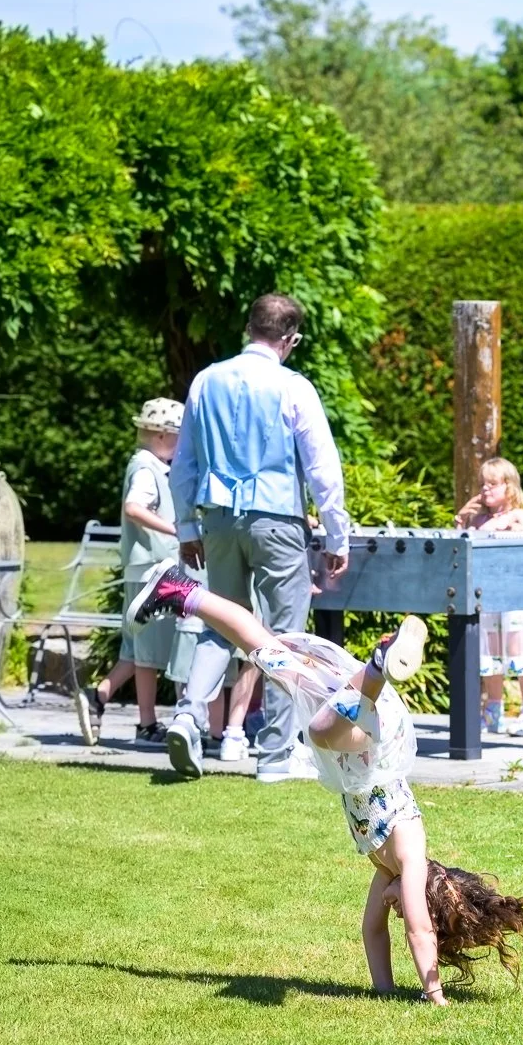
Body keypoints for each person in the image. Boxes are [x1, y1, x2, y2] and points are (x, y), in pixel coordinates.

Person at [129, 560, 523, 1001]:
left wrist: (384, 991)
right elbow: (419, 931)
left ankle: (182, 592)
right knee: (319, 730)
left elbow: (372, 932)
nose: (397, 910)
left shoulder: (387, 869)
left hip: (359, 733)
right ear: (427, 896)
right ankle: (376, 669)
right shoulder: (410, 858)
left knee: (262, 649)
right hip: (370, 741)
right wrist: (435, 994)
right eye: (409, 905)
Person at [165, 294, 349, 783]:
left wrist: (187, 527)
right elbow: (322, 469)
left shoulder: (206, 380)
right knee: (285, 636)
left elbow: (183, 464)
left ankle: (188, 714)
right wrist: (337, 536)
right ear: (290, 339)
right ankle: (274, 754)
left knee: (219, 623)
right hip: (277, 519)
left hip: (218, 519)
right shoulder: (293, 386)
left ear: (249, 328)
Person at [76, 398, 196, 747]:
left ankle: (100, 698)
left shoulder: (149, 464)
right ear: (161, 436)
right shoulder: (147, 468)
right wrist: (174, 530)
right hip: (152, 571)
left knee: (137, 649)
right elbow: (134, 507)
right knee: (150, 651)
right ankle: (145, 722)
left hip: (145, 569)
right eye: (178, 436)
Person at [455, 457, 523, 737]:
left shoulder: (518, 516)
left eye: (493, 484)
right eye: (483, 484)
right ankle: (492, 710)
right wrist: (461, 519)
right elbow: (460, 547)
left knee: (519, 652)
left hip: (515, 596)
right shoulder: (479, 520)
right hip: (488, 597)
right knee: (490, 654)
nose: (486, 489)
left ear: (509, 486)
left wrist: (514, 530)